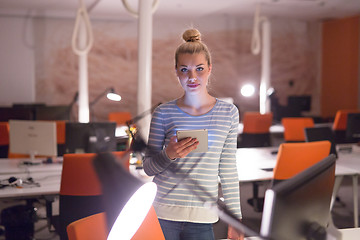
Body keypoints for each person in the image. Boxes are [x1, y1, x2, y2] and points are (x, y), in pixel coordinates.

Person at [143, 28, 242, 240]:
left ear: (209, 69)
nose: (192, 76)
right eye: (184, 70)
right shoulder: (163, 113)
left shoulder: (228, 113)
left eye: (199, 68)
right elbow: (148, 167)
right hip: (163, 213)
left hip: (203, 217)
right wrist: (168, 154)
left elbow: (228, 170)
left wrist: (236, 219)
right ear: (176, 71)